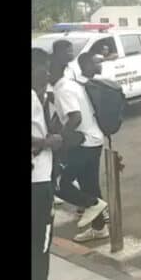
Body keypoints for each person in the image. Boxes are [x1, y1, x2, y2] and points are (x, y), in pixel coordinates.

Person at [31, 49, 85, 280]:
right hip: (36, 185)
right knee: (39, 248)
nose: (47, 74)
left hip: (41, 178)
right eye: (42, 68)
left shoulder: (41, 97)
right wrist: (46, 143)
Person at [52, 53, 109, 243]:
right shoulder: (70, 84)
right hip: (94, 140)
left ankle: (91, 204)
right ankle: (99, 228)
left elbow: (74, 117)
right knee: (89, 185)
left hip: (83, 143)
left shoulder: (63, 90)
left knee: (59, 183)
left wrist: (60, 138)